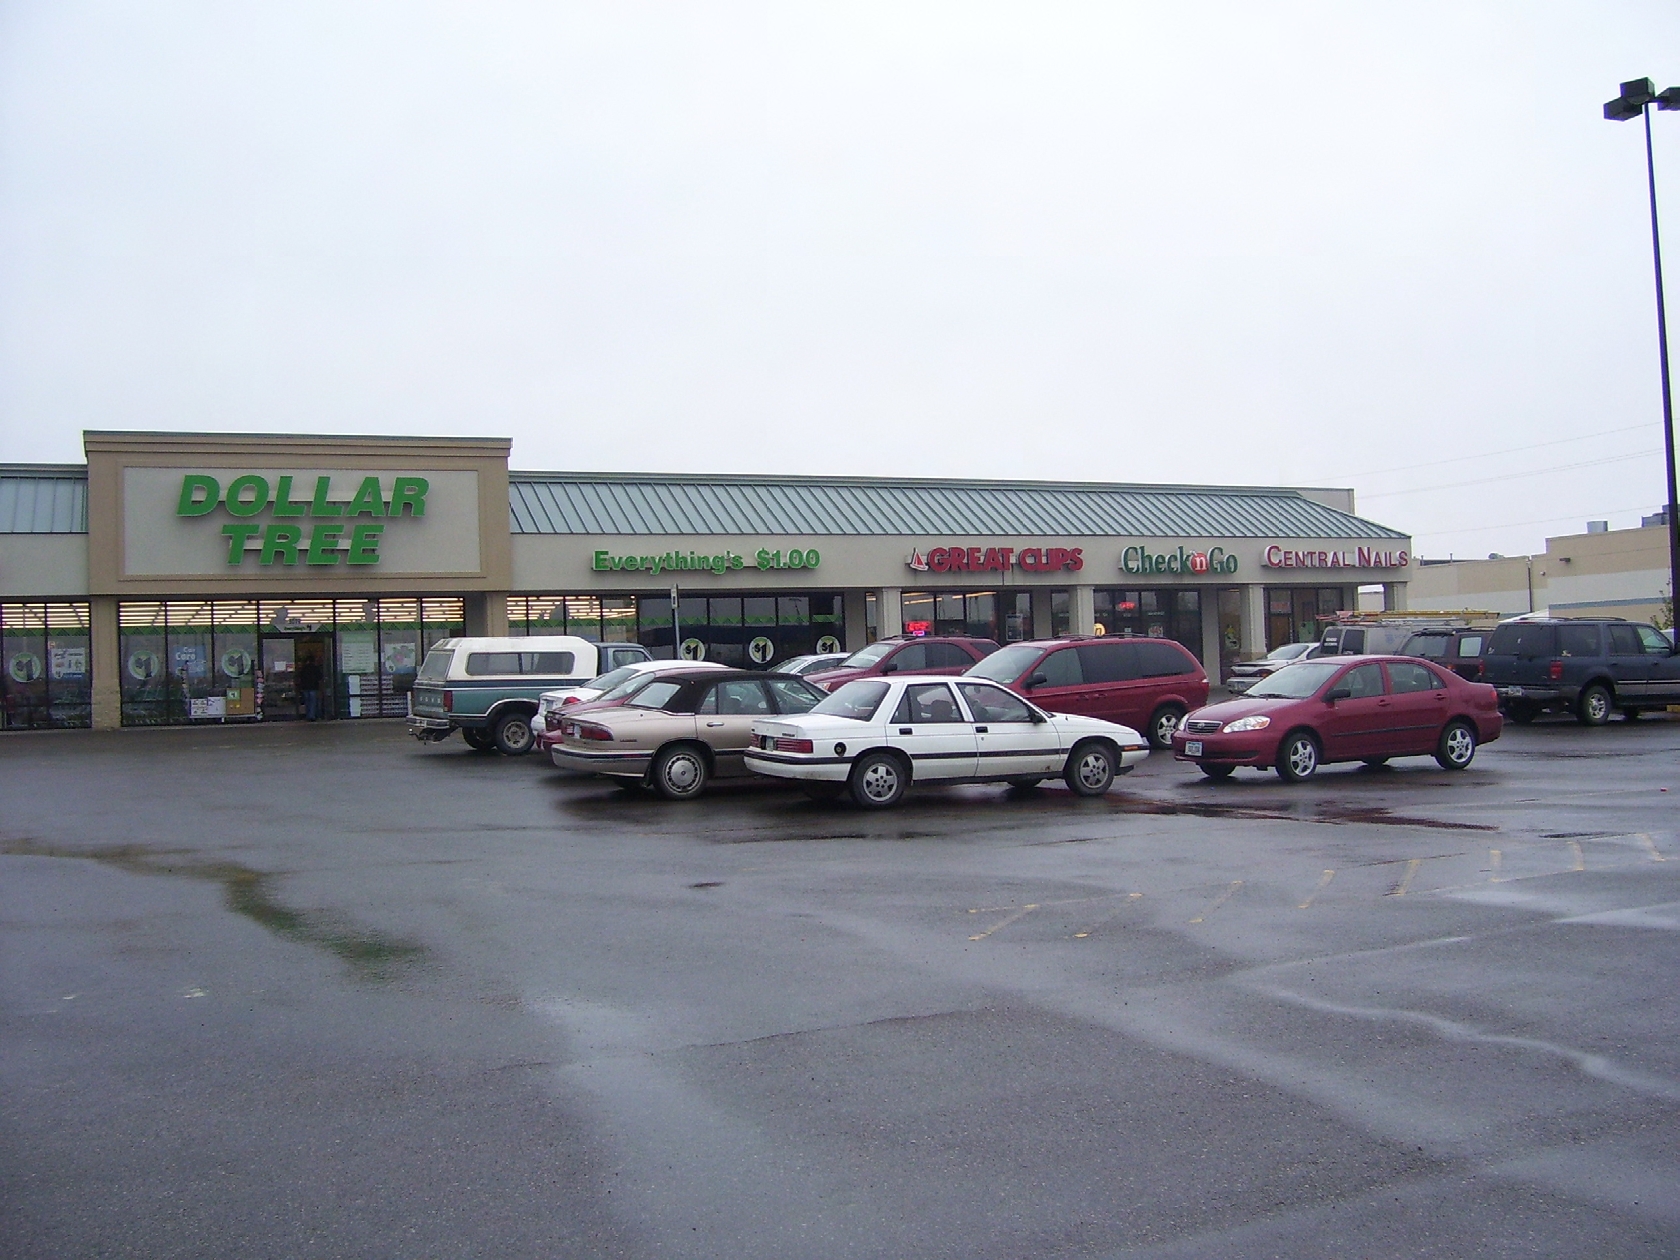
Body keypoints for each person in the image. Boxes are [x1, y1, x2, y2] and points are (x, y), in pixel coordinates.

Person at [297, 653, 323, 721]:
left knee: (307, 702)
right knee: (313, 702)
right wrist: (320, 689)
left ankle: (308, 715)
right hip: (314, 687)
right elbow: (320, 678)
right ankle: (312, 716)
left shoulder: (303, 669)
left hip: (305, 687)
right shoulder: (316, 668)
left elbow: (300, 678)